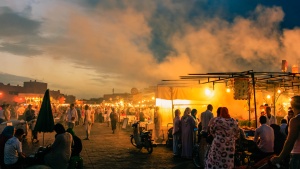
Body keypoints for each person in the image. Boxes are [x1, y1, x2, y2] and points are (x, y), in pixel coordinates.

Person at [271, 96, 300, 168]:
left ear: (292, 106)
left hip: (297, 157)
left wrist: (280, 157)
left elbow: (290, 141)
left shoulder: (295, 120)